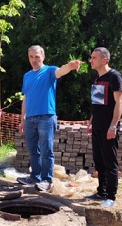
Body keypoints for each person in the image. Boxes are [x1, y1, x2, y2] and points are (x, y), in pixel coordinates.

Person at [17, 45, 83, 192]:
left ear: (43, 57)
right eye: (31, 57)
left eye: (37, 56)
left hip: (46, 117)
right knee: (33, 150)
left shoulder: (49, 71)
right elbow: (25, 98)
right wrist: (23, 119)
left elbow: (61, 71)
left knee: (47, 150)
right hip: (30, 119)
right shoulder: (27, 76)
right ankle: (35, 176)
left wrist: (70, 66)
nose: (34, 60)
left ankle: (47, 180)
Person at [86, 47, 122, 208]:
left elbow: (120, 102)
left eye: (94, 58)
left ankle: (111, 196)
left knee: (110, 162)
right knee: (99, 161)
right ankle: (101, 192)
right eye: (91, 57)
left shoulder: (114, 77)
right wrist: (91, 122)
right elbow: (97, 103)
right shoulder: (97, 78)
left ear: (105, 60)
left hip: (109, 127)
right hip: (97, 126)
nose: (91, 60)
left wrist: (113, 126)